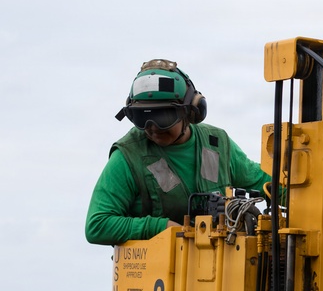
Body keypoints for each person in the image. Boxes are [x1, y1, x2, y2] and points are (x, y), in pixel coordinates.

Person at [85, 59, 271, 245]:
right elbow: (97, 225)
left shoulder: (216, 144)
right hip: (158, 263)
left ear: (190, 112)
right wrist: (160, 227)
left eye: (163, 117)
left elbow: (267, 182)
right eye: (143, 118)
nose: (153, 127)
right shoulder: (128, 156)